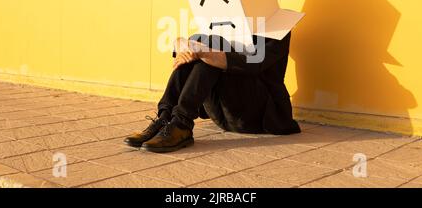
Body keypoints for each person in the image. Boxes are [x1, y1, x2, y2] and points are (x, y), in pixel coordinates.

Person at [124, 32, 301, 153]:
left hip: (258, 116)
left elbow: (252, 64)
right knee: (202, 42)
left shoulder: (278, 27)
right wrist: (183, 44)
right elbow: (192, 43)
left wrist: (202, 51)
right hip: (225, 114)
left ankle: (182, 124)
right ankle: (165, 119)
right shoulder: (228, 24)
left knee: (208, 45)